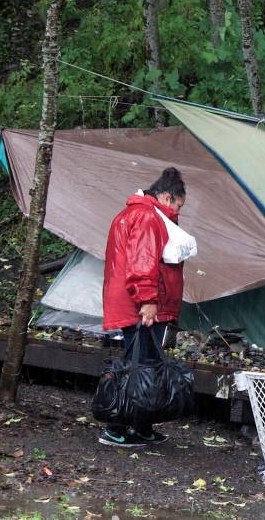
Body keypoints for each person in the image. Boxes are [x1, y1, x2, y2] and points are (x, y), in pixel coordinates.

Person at [98, 167, 187, 447]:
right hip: (140, 304)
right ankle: (117, 427)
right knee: (139, 367)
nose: (176, 213)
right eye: (177, 206)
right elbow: (143, 262)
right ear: (165, 196)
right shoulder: (148, 217)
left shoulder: (128, 214)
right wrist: (148, 301)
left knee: (143, 363)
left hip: (129, 300)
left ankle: (141, 426)